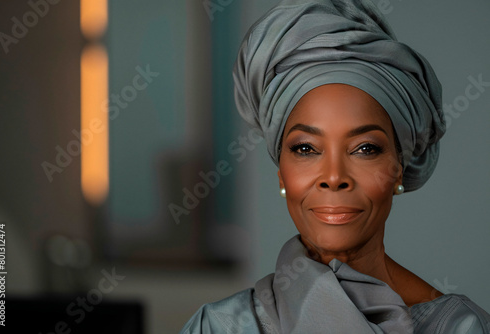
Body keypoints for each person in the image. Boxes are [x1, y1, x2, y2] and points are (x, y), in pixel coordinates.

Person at [180, 0, 490, 332]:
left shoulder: (460, 327)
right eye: (306, 149)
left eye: (365, 148)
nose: (333, 177)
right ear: (281, 172)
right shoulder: (218, 326)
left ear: (399, 167)